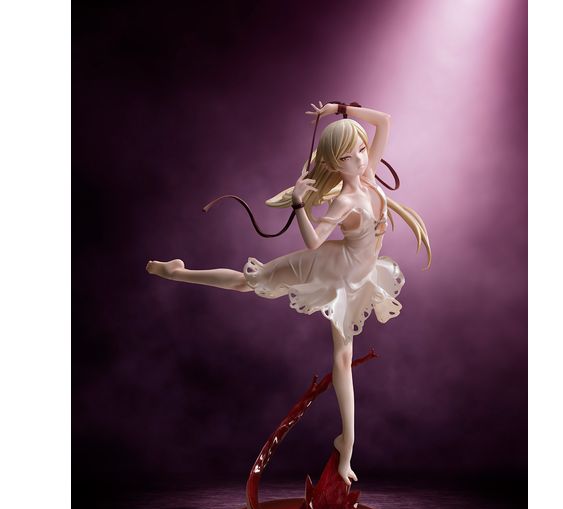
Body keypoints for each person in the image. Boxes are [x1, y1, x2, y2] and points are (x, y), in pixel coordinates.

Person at [146, 101, 431, 485]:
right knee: (255, 282)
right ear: (335, 163)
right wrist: (298, 203)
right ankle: (178, 273)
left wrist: (339, 108)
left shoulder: (367, 177)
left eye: (362, 149)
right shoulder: (346, 199)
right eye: (351, 155)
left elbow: (385, 120)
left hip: (358, 275)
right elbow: (314, 243)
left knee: (341, 357)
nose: (362, 159)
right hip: (331, 269)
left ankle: (346, 446)